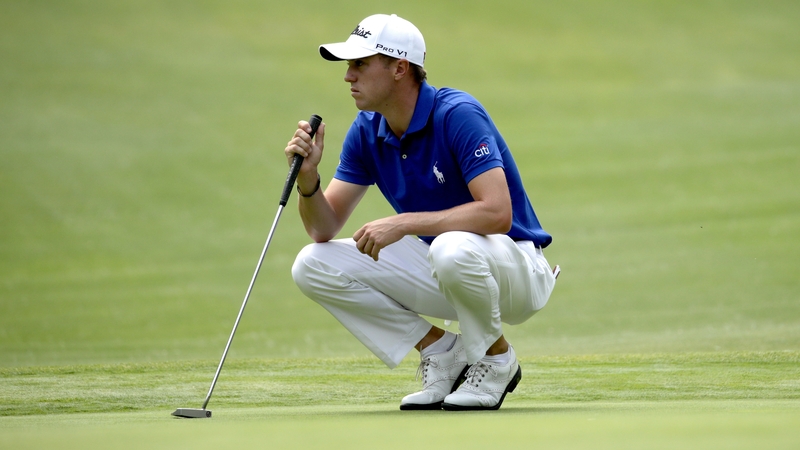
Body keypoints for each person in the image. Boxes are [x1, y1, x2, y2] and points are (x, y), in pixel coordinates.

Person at [284, 13, 559, 411]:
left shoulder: (457, 114)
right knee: (311, 264)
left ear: (400, 68)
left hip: (514, 270)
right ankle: (441, 350)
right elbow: (322, 229)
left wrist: (404, 223)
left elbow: (498, 213)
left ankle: (497, 359)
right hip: (449, 270)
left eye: (360, 64)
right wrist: (308, 180)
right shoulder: (367, 130)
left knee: (450, 248)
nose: (348, 76)